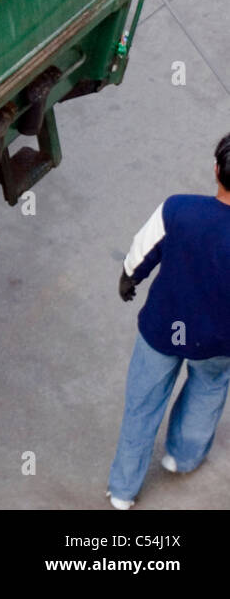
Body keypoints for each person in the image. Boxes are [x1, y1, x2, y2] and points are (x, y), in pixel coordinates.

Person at [107, 133, 230, 509]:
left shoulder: (178, 209)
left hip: (163, 328)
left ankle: (123, 491)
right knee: (208, 389)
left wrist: (129, 279)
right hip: (219, 340)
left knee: (142, 404)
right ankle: (182, 457)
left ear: (216, 170)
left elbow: (141, 253)